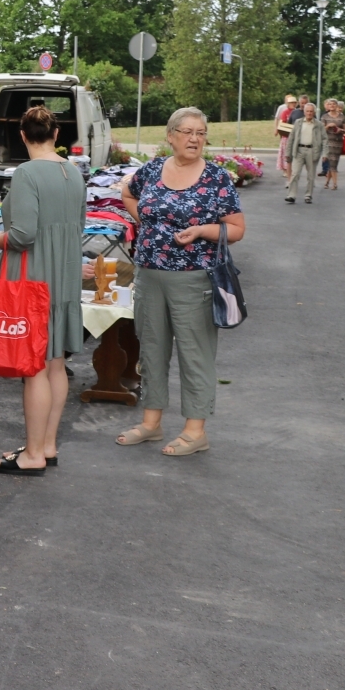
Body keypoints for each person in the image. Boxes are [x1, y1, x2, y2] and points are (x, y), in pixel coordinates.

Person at [117, 108, 244, 457]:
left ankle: (195, 430)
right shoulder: (153, 169)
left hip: (194, 279)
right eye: (186, 131)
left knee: (195, 354)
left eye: (201, 133)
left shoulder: (216, 178)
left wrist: (203, 230)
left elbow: (236, 229)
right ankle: (151, 423)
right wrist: (146, 221)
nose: (194, 139)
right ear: (170, 135)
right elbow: (128, 193)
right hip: (149, 275)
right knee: (152, 351)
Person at [0, 107, 85, 474]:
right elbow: (78, 225)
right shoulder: (72, 172)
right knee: (55, 364)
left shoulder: (27, 173)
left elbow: (23, 233)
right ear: (56, 135)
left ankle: (32, 454)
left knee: (35, 370)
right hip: (63, 279)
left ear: (23, 137)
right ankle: (47, 444)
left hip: (33, 282)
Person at [285, 102, 322, 203]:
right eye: (307, 111)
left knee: (310, 176)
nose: (309, 113)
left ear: (314, 112)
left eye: (311, 111)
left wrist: (325, 154)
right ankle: (291, 195)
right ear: (304, 112)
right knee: (295, 173)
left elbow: (325, 139)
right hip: (299, 151)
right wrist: (287, 153)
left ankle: (308, 195)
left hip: (312, 151)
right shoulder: (298, 122)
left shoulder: (319, 124)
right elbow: (291, 138)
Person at [321, 98, 345, 190]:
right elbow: (321, 130)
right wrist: (328, 126)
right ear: (328, 106)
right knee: (332, 163)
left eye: (334, 104)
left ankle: (327, 182)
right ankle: (335, 184)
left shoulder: (342, 117)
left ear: (337, 106)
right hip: (328, 142)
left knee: (334, 162)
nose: (332, 106)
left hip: (338, 142)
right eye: (330, 104)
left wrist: (340, 130)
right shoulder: (325, 117)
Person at [274, 95, 297, 172]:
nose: (293, 104)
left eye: (294, 103)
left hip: (294, 135)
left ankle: (291, 169)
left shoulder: (296, 112)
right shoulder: (285, 112)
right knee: (285, 152)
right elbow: (282, 122)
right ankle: (285, 169)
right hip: (286, 135)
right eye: (291, 103)